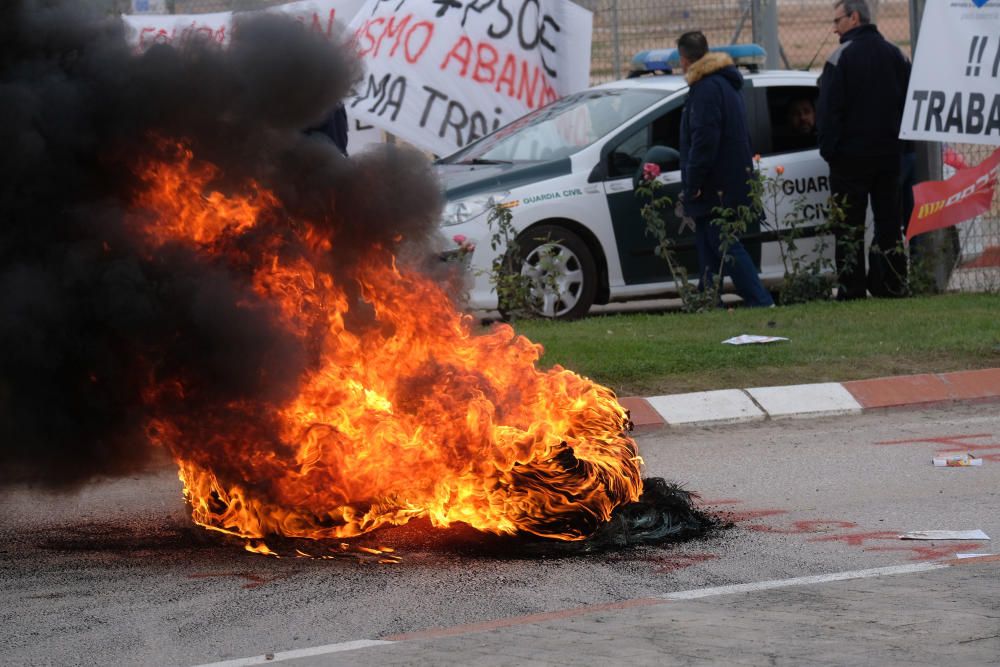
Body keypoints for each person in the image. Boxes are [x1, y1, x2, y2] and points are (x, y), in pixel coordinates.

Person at [817, 0, 910, 299]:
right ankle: (892, 283)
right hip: (889, 157)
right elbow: (909, 105)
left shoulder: (840, 58)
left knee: (848, 227)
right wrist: (902, 148)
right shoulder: (896, 55)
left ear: (854, 18)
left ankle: (851, 288)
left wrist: (830, 151)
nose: (834, 29)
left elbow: (829, 112)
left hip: (850, 159)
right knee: (889, 224)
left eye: (838, 21)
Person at [677, 31, 773, 308]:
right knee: (708, 241)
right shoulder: (723, 85)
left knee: (723, 242)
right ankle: (709, 300)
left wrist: (693, 180)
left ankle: (760, 300)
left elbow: (704, 141)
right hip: (726, 179)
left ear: (684, 59)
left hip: (716, 183)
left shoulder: (706, 89)